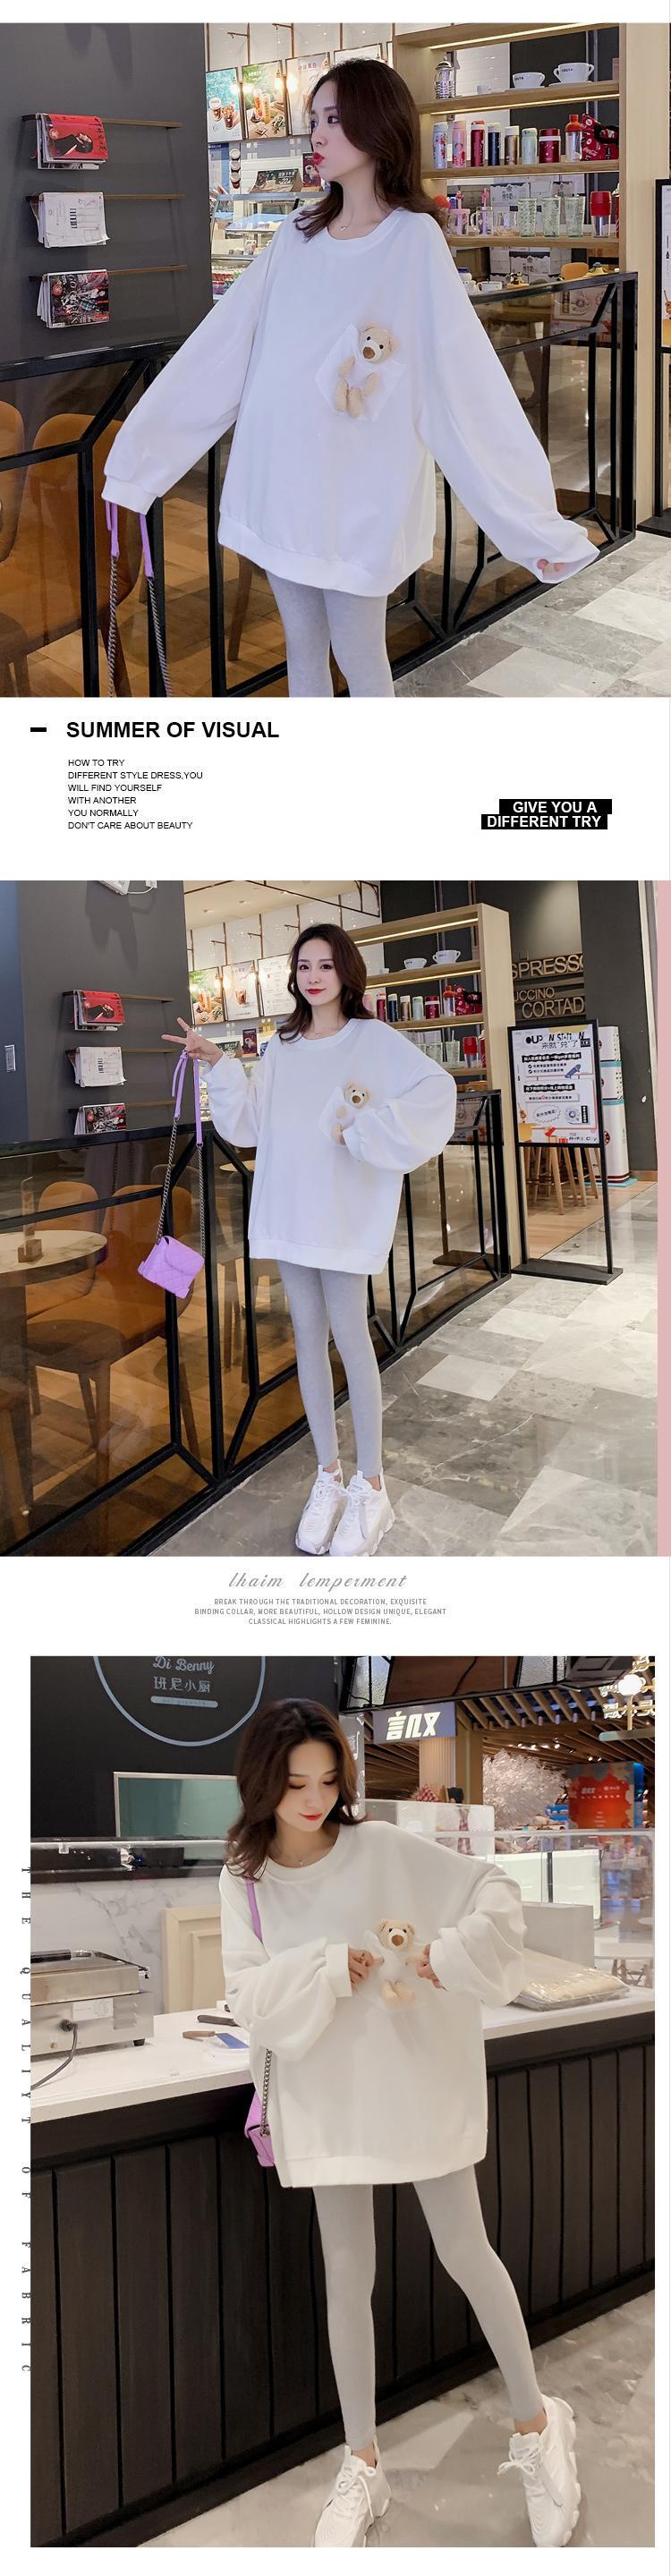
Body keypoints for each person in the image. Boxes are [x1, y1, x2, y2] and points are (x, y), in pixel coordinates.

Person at [102, 57, 598, 699]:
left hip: (360, 492)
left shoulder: (413, 241)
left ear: (377, 124)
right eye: (314, 119)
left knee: (359, 653)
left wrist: (531, 522)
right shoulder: (297, 235)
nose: (317, 134)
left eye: (333, 119)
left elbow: (465, 381)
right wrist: (140, 462)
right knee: (303, 649)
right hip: (282, 480)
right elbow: (222, 348)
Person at [220, 1702, 582, 2548]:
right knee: (348, 2273)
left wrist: (451, 1954)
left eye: (327, 1780)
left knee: (466, 2250)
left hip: (416, 2076)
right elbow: (245, 1994)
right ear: (261, 1784)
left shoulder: (381, 1846)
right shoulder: (244, 1879)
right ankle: (363, 2461)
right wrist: (323, 1968)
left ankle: (538, 2424)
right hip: (329, 2090)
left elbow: (492, 1888)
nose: (314, 1800)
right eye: (294, 1783)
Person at [163, 922, 457, 1556]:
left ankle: (371, 1485)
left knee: (351, 1337)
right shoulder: (282, 1046)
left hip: (343, 1216)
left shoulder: (375, 1041)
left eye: (325, 964)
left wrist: (365, 1132)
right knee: (306, 1339)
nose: (314, 976)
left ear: (346, 971)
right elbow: (252, 1123)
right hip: (291, 1211)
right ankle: (328, 1475)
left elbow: (437, 1094)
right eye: (303, 966)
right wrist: (219, 1064)